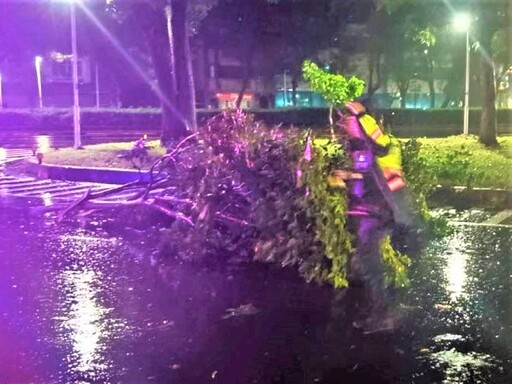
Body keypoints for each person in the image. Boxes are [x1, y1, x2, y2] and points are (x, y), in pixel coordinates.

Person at [330, 100, 423, 332]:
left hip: (384, 211)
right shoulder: (360, 149)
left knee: (369, 264)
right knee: (366, 263)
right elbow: (365, 177)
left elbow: (378, 145)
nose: (345, 126)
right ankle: (382, 310)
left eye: (348, 121)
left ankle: (384, 316)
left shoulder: (386, 144)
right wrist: (346, 176)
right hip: (369, 211)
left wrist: (361, 115)